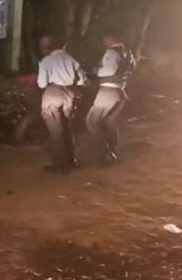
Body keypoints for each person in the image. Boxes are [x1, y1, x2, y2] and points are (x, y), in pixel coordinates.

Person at [37, 35, 87, 173]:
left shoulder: (47, 61)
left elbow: (41, 84)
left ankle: (60, 165)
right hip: (70, 95)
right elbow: (82, 81)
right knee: (67, 128)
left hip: (53, 94)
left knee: (55, 131)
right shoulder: (72, 59)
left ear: (50, 47)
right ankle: (72, 160)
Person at [85, 30, 136, 164]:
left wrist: (94, 71)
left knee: (92, 121)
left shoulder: (112, 53)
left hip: (108, 91)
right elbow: (131, 69)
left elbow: (108, 70)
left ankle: (105, 153)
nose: (103, 41)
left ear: (110, 38)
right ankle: (112, 149)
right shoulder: (128, 53)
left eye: (105, 38)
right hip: (120, 91)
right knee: (110, 122)